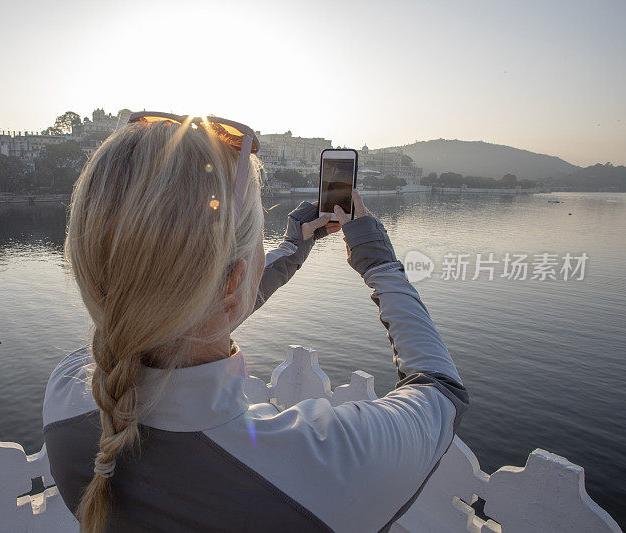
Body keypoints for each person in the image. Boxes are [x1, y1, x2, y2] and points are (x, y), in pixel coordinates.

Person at [43, 116, 468, 532]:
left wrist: (290, 248)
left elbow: (178, 311)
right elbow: (441, 390)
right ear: (233, 281)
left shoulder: (66, 392)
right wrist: (377, 260)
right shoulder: (325, 471)